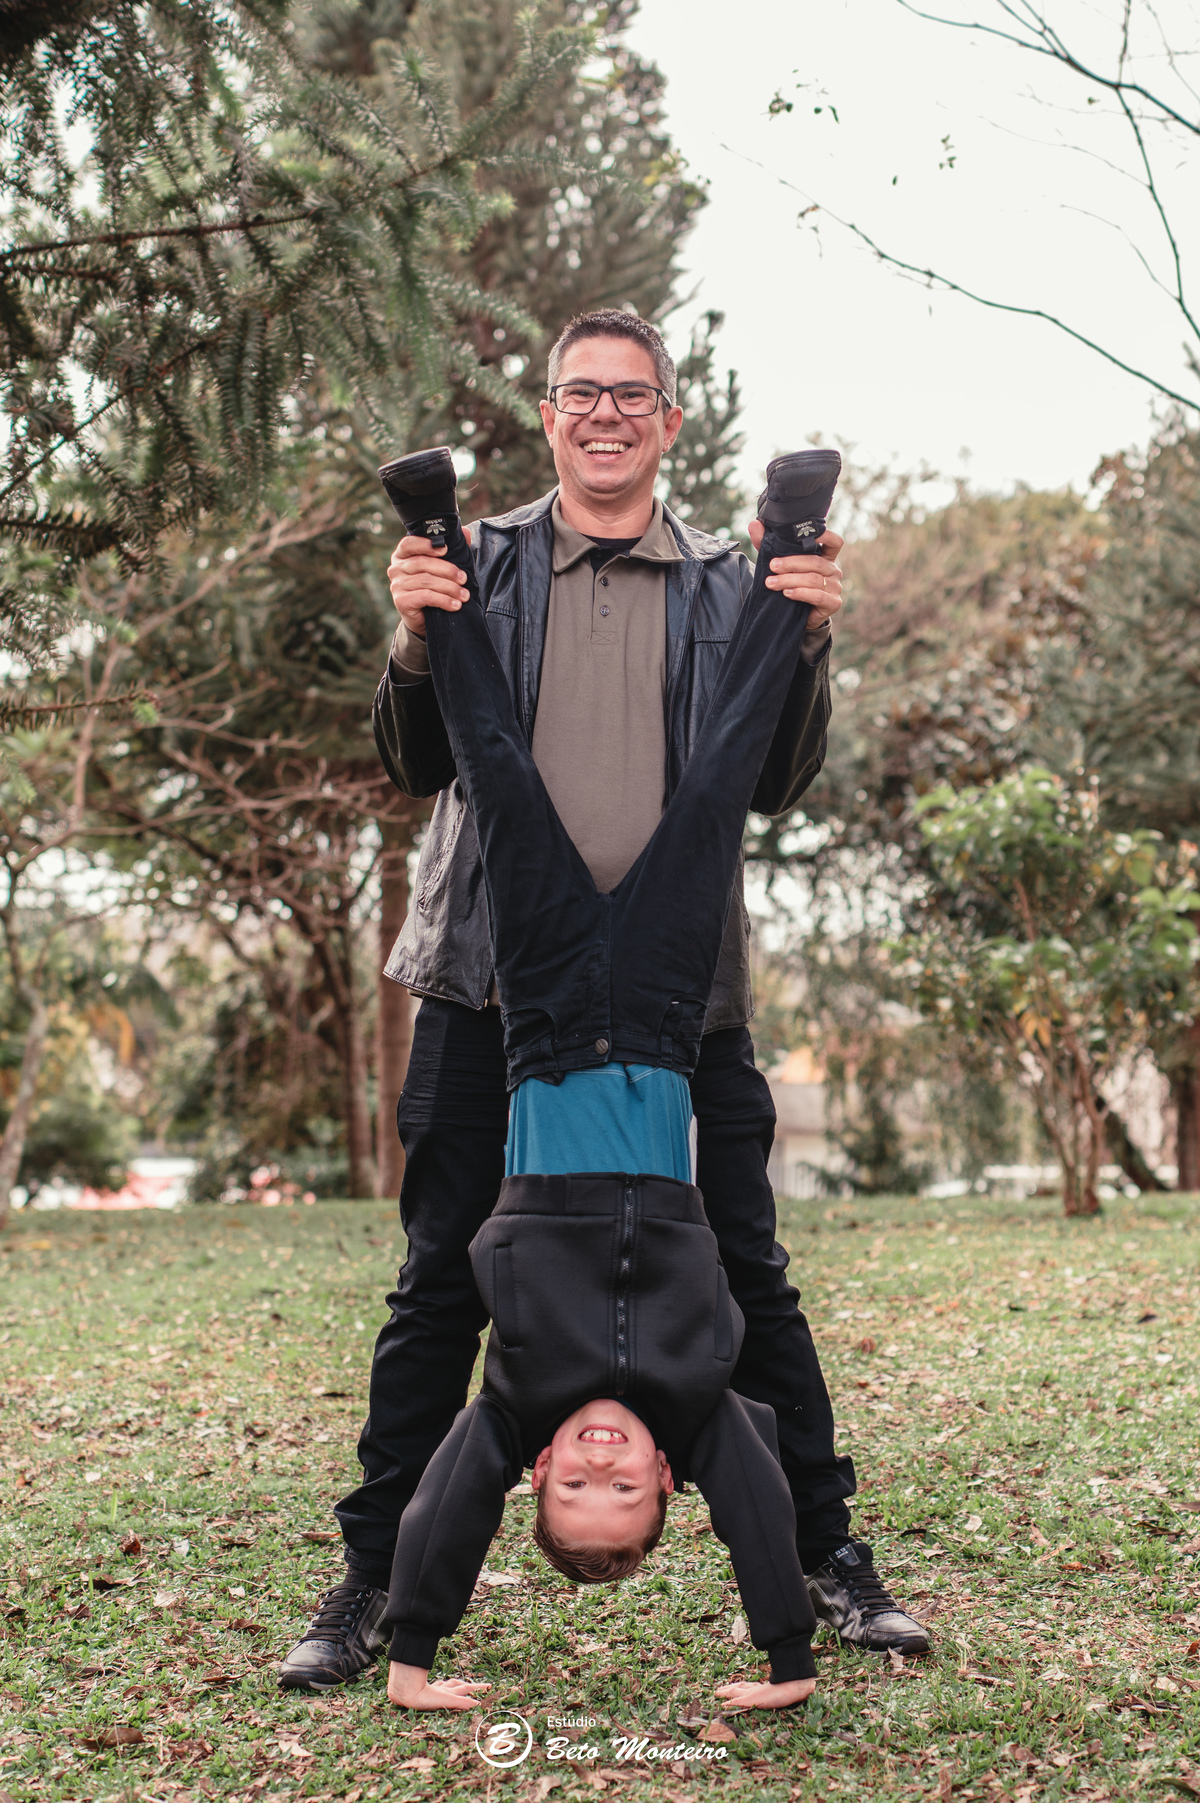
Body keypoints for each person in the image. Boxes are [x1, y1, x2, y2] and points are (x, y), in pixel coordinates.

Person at [277, 311, 928, 1696]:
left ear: (670, 421)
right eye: (584, 393)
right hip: (483, 975)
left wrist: (799, 632)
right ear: (551, 413)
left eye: (634, 395)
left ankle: (830, 1554)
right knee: (439, 1276)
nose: (607, 414)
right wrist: (412, 634)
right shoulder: (485, 561)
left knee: (749, 1272)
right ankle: (375, 1576)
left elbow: (770, 775)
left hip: (684, 992)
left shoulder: (719, 578)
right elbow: (418, 758)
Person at [378, 443, 834, 1712]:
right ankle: (794, 540)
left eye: (571, 1488)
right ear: (667, 1481)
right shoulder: (698, 1410)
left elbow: (448, 1504)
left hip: (546, 1030)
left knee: (503, 781)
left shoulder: (518, 1395)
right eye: (619, 1489)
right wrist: (785, 1660)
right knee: (714, 790)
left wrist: (416, 1655)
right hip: (663, 1021)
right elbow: (757, 1506)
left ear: (533, 1477)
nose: (594, 1463)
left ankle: (435, 526)